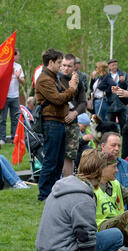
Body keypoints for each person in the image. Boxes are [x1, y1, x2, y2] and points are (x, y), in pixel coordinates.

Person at [35, 149, 128, 251]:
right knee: (116, 235)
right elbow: (87, 243)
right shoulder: (83, 200)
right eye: (110, 167)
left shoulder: (64, 184)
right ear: (100, 171)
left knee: (100, 238)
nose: (116, 170)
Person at [35, 48, 78, 201]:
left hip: (59, 123)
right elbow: (59, 99)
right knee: (51, 160)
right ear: (51, 62)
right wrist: (72, 88)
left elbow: (63, 96)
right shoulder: (44, 79)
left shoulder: (54, 77)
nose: (61, 66)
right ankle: (44, 194)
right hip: (51, 122)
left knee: (59, 161)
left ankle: (53, 192)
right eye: (59, 62)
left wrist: (71, 88)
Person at [59, 53, 87, 177]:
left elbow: (83, 102)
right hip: (57, 122)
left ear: (74, 67)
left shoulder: (78, 82)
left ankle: (68, 183)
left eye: (69, 66)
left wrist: (74, 113)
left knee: (70, 156)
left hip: (72, 123)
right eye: (64, 65)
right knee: (55, 155)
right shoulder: (55, 79)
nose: (66, 68)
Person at [101, 132, 128, 209]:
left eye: (119, 146)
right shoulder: (94, 164)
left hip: (124, 214)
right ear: (103, 146)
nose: (117, 149)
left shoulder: (125, 165)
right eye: (113, 145)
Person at [0, 48, 24, 145]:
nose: (19, 56)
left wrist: (17, 76)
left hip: (15, 97)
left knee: (15, 118)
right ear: (13, 56)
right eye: (18, 55)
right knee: (2, 119)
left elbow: (23, 82)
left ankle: (15, 137)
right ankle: (2, 139)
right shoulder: (3, 65)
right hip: (4, 96)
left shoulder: (19, 66)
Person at [106, 59, 128, 134]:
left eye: (115, 64)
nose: (115, 66)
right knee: (110, 126)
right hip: (110, 104)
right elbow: (103, 87)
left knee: (124, 125)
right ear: (109, 66)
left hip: (121, 103)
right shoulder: (106, 75)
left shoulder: (123, 74)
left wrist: (123, 82)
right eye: (112, 65)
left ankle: (123, 139)